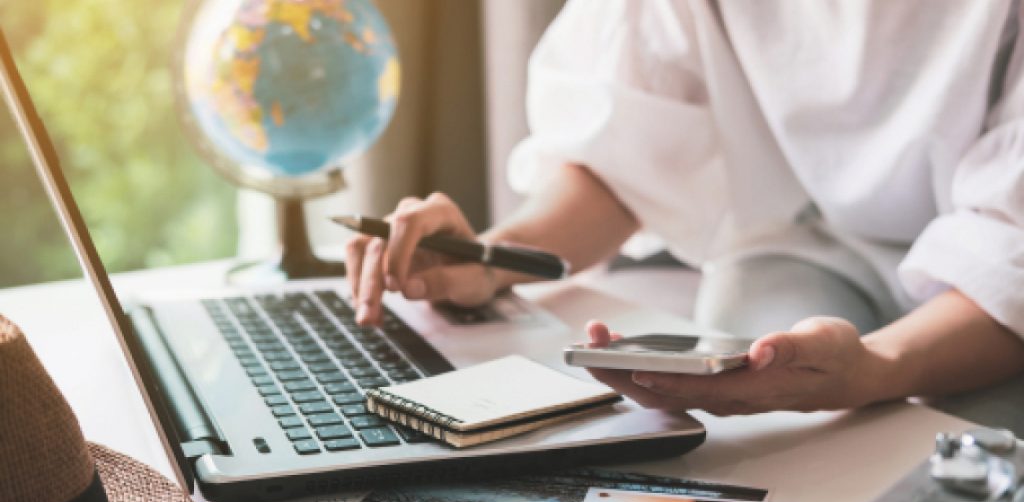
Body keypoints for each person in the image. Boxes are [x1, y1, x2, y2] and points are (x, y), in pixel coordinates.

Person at [345, 1, 1024, 416]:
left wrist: (876, 371)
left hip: (997, 285)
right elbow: (627, 156)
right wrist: (491, 260)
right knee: (760, 386)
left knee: (970, 461)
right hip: (810, 246)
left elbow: (1009, 257)